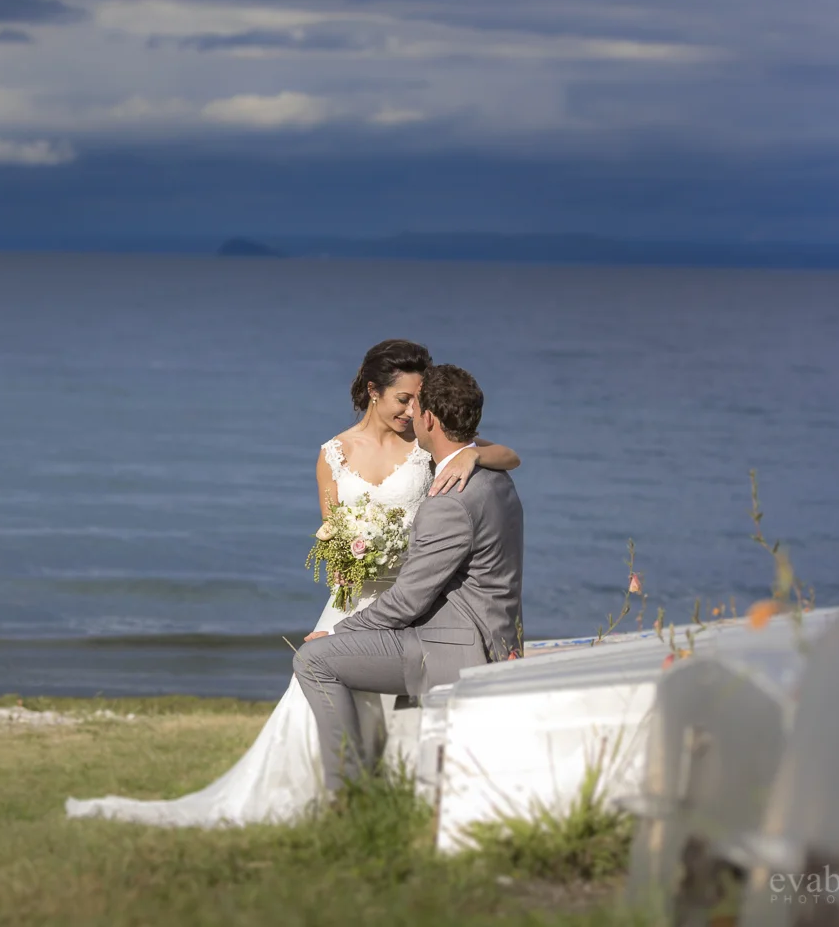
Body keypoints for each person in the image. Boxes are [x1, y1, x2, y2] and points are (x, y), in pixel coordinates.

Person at [63, 340, 521, 827]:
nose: (411, 411)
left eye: (417, 400)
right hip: (358, 597)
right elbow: (332, 535)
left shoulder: (428, 447)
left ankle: (383, 797)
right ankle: (333, 798)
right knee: (318, 680)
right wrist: (350, 559)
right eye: (401, 399)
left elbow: (501, 457)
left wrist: (476, 457)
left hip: (417, 599)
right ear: (373, 392)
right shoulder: (334, 455)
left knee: (373, 687)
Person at [295, 363, 524, 797]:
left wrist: (338, 631)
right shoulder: (496, 481)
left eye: (415, 405)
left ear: (430, 419)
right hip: (484, 628)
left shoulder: (448, 499)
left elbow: (408, 601)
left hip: (450, 643)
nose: (409, 413)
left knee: (313, 659)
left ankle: (350, 795)